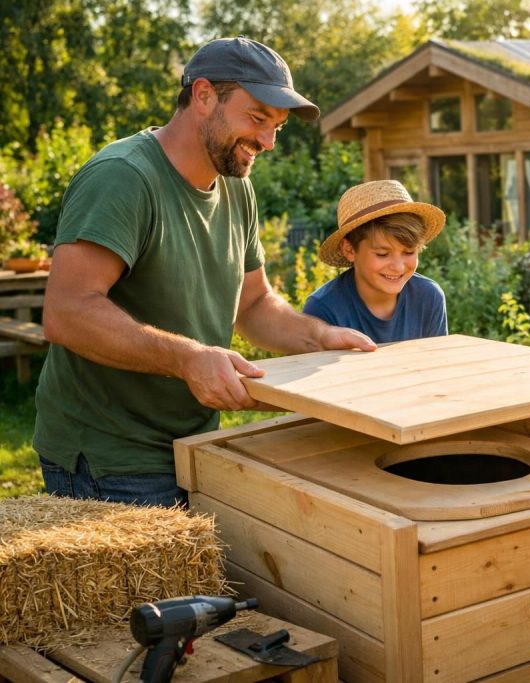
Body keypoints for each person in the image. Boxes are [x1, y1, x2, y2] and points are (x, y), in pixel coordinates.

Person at [34, 37, 377, 509]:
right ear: (202, 96)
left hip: (194, 444)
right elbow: (67, 312)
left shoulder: (237, 188)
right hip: (109, 457)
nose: (267, 141)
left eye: (277, 127)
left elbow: (253, 304)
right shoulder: (123, 177)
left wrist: (321, 338)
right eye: (257, 118)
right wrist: (187, 358)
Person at [303, 180, 448, 343]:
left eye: (408, 252)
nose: (398, 267)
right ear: (349, 250)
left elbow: (436, 363)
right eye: (382, 254)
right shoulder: (323, 309)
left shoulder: (429, 297)